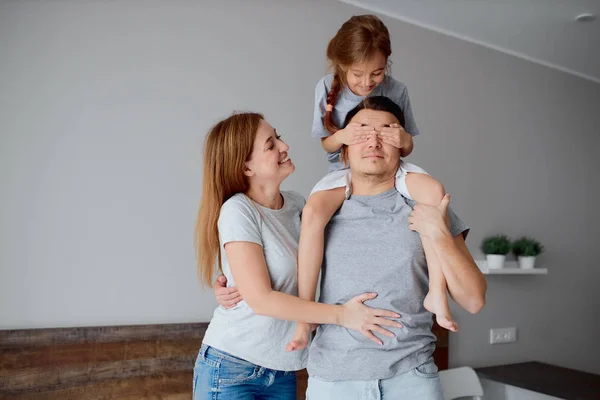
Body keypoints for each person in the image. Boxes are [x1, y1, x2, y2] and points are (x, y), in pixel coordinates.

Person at [193, 112, 402, 399]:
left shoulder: (298, 205)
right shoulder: (238, 211)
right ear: (246, 167)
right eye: (270, 145)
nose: (284, 146)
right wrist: (343, 316)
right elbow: (261, 300)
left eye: (278, 136)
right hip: (233, 368)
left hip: (285, 368)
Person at [292, 15, 461, 354]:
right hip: (345, 170)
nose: (367, 82)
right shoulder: (326, 88)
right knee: (312, 214)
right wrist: (343, 135)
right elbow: (326, 144)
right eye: (357, 75)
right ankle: (304, 315)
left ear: (387, 64)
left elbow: (408, 145)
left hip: (390, 166)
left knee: (433, 193)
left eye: (377, 73)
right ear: (342, 66)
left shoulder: (398, 90)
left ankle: (437, 293)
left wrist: (400, 138)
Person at [302, 96, 486, 399]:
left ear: (402, 144)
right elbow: (277, 263)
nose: (374, 142)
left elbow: (474, 300)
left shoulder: (427, 203)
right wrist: (227, 285)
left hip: (411, 379)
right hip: (332, 381)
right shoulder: (320, 209)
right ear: (345, 149)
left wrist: (438, 234)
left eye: (387, 132)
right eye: (362, 133)